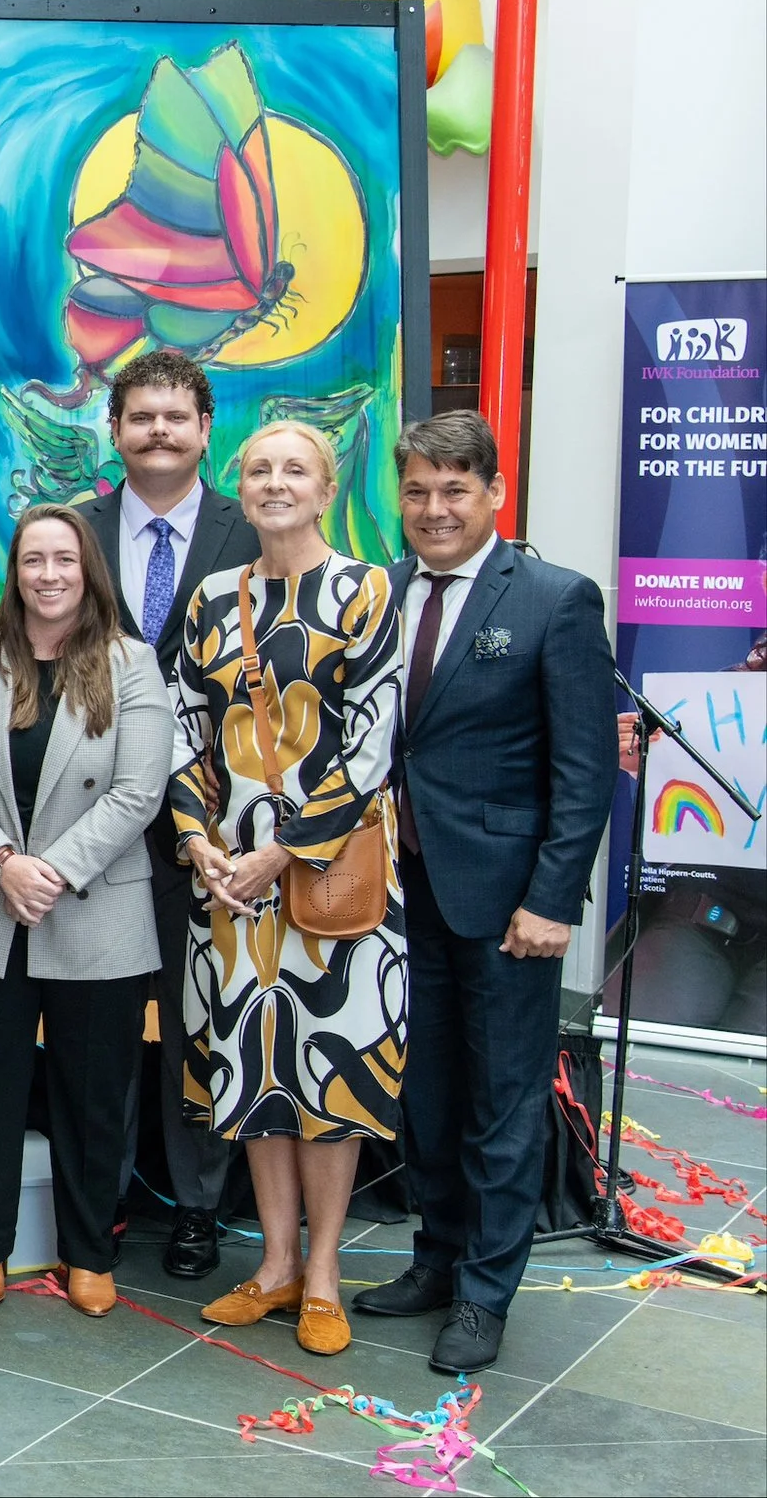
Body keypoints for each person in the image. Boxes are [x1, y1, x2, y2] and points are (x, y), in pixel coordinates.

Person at [353, 411, 613, 1374]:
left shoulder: (554, 599)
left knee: (503, 1102)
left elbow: (585, 772)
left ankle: (485, 1292)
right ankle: (435, 1256)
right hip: (396, 897)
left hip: (509, 907)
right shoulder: (379, 594)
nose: (434, 508)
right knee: (425, 1094)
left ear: (495, 492)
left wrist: (551, 899)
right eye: (417, 490)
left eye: (454, 489)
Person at [170, 419, 403, 1358]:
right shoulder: (209, 603)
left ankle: (323, 1273)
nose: (274, 483)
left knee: (330, 1075)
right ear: (241, 484)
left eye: (293, 469)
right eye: (259, 469)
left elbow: (374, 740)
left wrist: (286, 848)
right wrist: (197, 841)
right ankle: (271, 1264)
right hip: (229, 889)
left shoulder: (366, 590)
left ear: (325, 485)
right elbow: (187, 737)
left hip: (330, 880)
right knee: (258, 1068)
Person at [0, 504, 171, 1316]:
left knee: (91, 1094)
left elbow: (140, 789)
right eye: (33, 560)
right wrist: (4, 861)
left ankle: (88, 1254)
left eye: (64, 561)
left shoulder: (132, 663)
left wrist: (51, 869)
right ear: (14, 571)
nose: (48, 574)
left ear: (89, 572)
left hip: (94, 911)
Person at [68, 349, 259, 1281]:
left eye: (175, 418)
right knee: (99, 1031)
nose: (157, 432)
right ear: (114, 429)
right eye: (140, 417)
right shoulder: (73, 531)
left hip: (213, 826)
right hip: (91, 821)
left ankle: (196, 1206)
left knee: (199, 1026)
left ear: (203, 430)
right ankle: (92, 1204)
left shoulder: (250, 530)